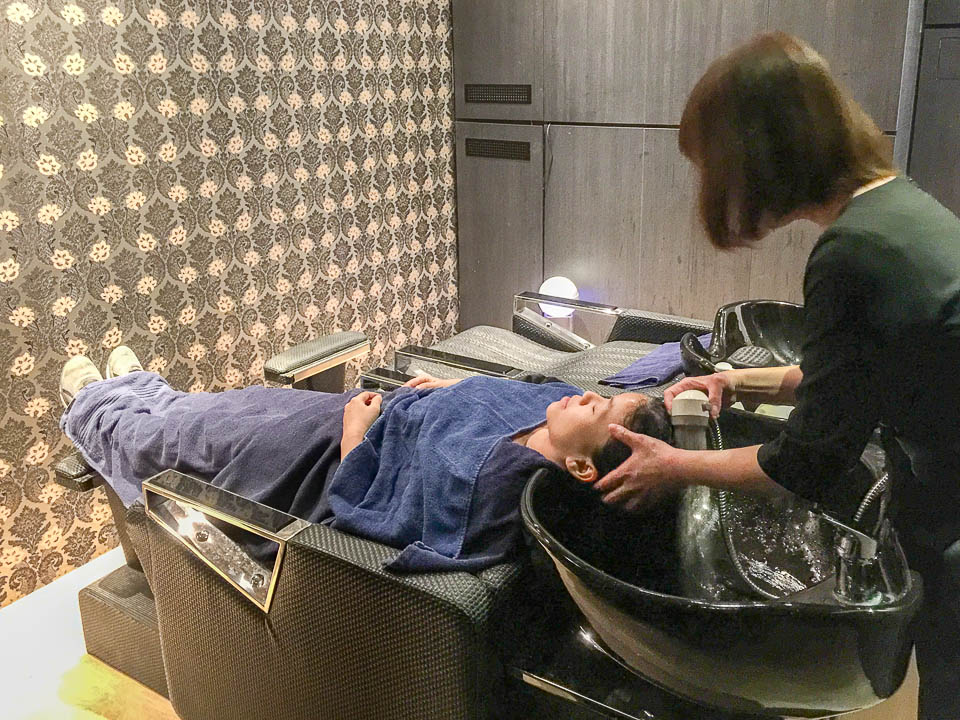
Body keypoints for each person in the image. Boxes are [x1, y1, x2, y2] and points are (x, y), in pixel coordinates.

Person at [595, 32, 960, 719]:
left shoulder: (852, 252)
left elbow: (804, 466)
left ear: (757, 157)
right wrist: (734, 383)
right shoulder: (897, 206)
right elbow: (849, 378)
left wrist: (673, 466)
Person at [58, 347, 670, 573]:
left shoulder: (487, 486)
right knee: (228, 404)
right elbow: (510, 394)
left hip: (323, 455)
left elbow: (367, 512)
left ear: (581, 468)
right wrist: (453, 390)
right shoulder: (553, 411)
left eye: (598, 408)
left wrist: (355, 434)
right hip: (373, 411)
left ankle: (94, 406)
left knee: (195, 439)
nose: (586, 396)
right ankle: (143, 391)